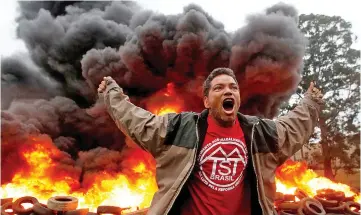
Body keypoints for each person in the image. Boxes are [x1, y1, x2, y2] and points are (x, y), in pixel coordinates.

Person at [98, 67, 324, 215]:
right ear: (206, 100)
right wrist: (112, 94)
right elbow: (140, 123)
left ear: (237, 98)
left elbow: (291, 129)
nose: (228, 91)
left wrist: (310, 103)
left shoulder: (258, 133)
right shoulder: (181, 128)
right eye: (219, 88)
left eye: (233, 87)